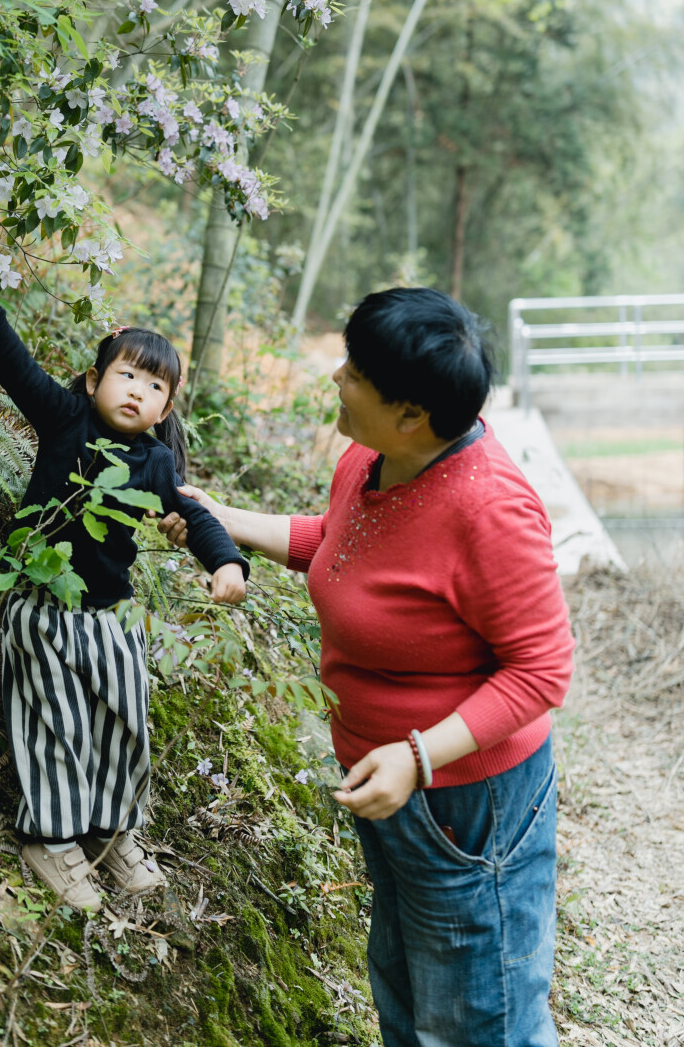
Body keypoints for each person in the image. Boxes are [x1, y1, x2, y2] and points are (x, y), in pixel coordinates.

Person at [159, 286, 575, 1047]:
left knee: (484, 1019)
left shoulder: (490, 510)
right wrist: (213, 517)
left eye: (353, 372)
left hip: (471, 808)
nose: (335, 379)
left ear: (412, 411)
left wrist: (418, 757)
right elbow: (343, 546)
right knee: (408, 993)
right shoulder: (374, 456)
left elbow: (541, 671)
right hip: (392, 790)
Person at [0, 260, 249, 912]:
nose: (136, 391)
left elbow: (196, 514)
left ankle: (114, 832)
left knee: (124, 721)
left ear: (166, 408)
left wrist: (226, 562)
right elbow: (18, 370)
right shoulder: (65, 419)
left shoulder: (154, 463)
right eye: (125, 374)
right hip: (41, 607)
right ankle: (52, 839)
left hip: (110, 618)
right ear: (94, 380)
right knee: (55, 722)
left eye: (154, 386)